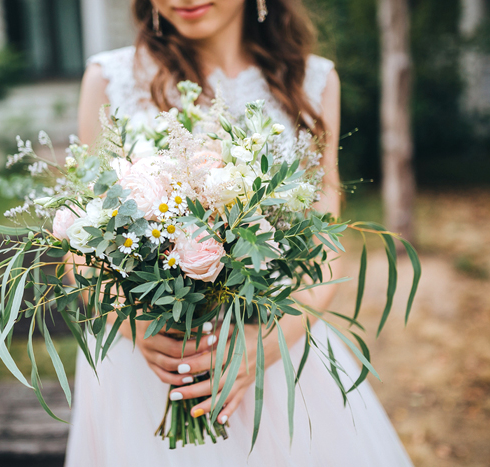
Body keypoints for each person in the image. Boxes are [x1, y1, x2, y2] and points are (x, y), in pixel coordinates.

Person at [67, 1, 413, 465]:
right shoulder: (109, 79)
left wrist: (267, 346)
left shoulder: (312, 81)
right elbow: (81, 242)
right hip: (145, 368)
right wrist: (136, 327)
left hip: (276, 345)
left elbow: (327, 245)